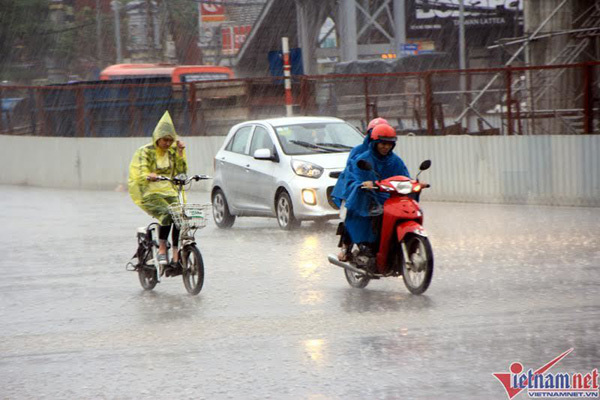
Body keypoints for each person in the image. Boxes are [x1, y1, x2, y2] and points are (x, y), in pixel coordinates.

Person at [341, 124, 410, 258]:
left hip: (391, 198)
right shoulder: (362, 159)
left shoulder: (395, 161)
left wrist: (415, 184)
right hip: (368, 198)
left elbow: (404, 176)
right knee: (376, 216)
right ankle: (368, 246)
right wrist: (363, 184)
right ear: (374, 143)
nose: (386, 147)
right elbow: (354, 177)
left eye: (389, 144)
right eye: (382, 143)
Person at [128, 111, 187, 267]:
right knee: (167, 214)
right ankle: (162, 248)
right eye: (165, 140)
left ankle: (175, 252)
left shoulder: (172, 153)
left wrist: (180, 152)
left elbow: (181, 172)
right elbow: (139, 172)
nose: (167, 143)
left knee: (180, 216)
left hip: (169, 192)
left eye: (170, 140)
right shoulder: (145, 152)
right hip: (150, 193)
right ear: (157, 138)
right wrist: (148, 175)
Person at [331, 117, 390, 261]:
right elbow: (353, 171)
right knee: (351, 214)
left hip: (378, 191)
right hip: (354, 190)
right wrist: (362, 184)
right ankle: (346, 247)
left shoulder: (389, 156)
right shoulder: (359, 152)